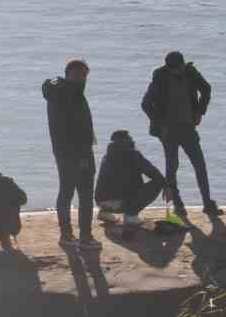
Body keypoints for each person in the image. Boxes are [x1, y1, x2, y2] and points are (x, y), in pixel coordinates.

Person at [141, 51, 221, 218]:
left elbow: (206, 89)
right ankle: (178, 205)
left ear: (183, 65)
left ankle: (207, 203)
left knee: (199, 164)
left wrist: (199, 112)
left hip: (187, 128)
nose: (176, 72)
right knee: (172, 167)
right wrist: (161, 124)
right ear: (167, 67)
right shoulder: (160, 76)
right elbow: (146, 104)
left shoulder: (190, 72)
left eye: (178, 69)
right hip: (168, 131)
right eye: (173, 70)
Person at [42, 59, 98, 249]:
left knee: (67, 192)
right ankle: (84, 236)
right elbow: (75, 127)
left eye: (85, 76)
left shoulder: (59, 91)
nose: (83, 79)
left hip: (63, 152)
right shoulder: (69, 93)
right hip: (76, 153)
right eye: (81, 74)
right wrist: (83, 155)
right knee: (83, 194)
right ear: (70, 73)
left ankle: (67, 234)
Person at [94, 130, 167, 228]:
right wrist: (167, 186)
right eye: (130, 139)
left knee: (115, 184)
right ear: (126, 141)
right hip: (122, 203)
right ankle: (131, 215)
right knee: (158, 182)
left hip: (101, 201)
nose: (133, 141)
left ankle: (104, 213)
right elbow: (155, 174)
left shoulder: (106, 156)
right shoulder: (134, 155)